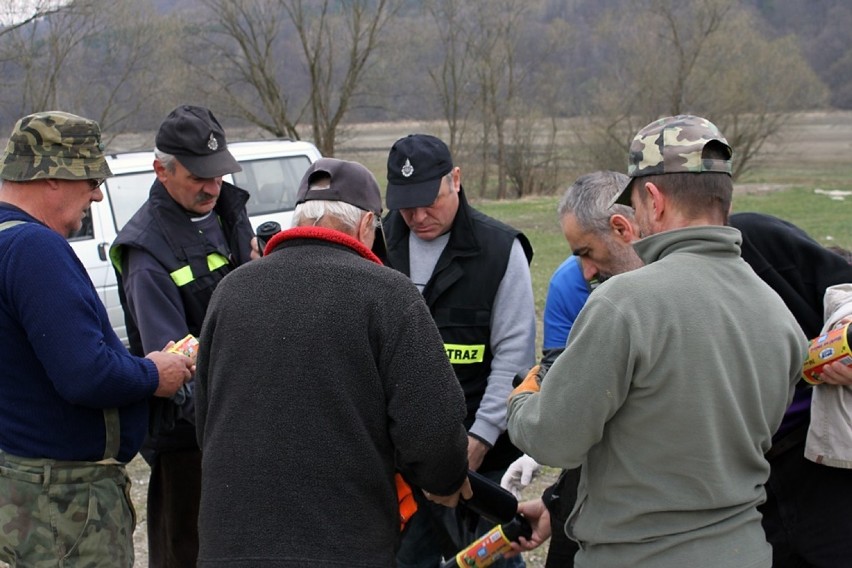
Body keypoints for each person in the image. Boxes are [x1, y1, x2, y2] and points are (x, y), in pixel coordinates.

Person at [507, 115, 807, 567]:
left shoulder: (624, 303)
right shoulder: (778, 314)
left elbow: (554, 440)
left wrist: (523, 398)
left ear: (652, 198)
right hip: (744, 550)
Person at [194, 157, 471, 565]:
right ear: (365, 226)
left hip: (229, 546)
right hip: (342, 547)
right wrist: (444, 480)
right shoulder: (388, 295)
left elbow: (207, 419)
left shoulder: (230, 292)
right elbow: (433, 427)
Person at [0, 111, 193, 567]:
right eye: (89, 177)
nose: (97, 192)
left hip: (25, 481)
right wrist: (153, 373)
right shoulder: (33, 248)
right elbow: (85, 374)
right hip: (64, 503)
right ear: (51, 176)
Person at [110, 104, 256, 568]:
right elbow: (178, 374)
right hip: (191, 445)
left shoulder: (229, 212)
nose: (213, 187)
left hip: (247, 425)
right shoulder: (146, 251)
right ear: (162, 170)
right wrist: (237, 431)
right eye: (199, 177)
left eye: (219, 174)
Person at [382, 133, 536, 567]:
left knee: (490, 560)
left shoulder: (499, 250)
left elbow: (514, 356)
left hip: (478, 460)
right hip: (402, 464)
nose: (417, 215)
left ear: (456, 180)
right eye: (406, 205)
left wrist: (480, 437)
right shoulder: (379, 245)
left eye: (429, 200)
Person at [505, 170, 642, 567]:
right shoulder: (570, 283)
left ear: (623, 229)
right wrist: (554, 500)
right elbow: (559, 379)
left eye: (586, 252)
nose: (585, 272)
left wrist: (526, 411)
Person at [730, 211, 852, 567]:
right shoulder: (633, 298)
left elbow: (842, 290)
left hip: (820, 460)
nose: (588, 271)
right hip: (746, 481)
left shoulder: (753, 239)